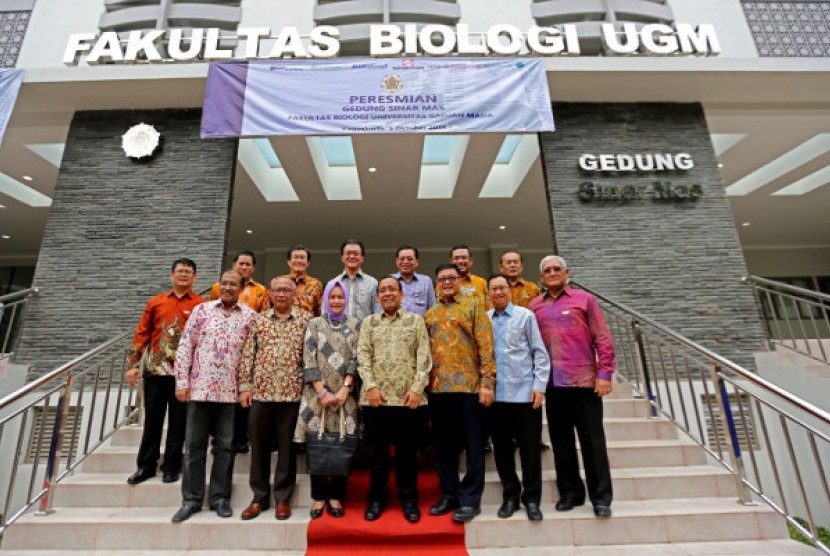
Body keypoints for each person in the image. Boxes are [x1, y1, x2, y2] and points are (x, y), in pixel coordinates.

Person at [529, 255, 616, 519]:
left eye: (557, 269)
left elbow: (602, 337)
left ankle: (600, 497)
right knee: (561, 442)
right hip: (553, 384)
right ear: (542, 277)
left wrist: (605, 374)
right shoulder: (534, 306)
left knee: (592, 442)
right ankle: (570, 494)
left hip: (584, 382)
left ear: (567, 272)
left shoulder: (584, 300)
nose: (553, 273)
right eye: (547, 270)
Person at [171, 269, 255, 522]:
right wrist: (181, 382)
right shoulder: (202, 311)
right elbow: (186, 345)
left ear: (241, 288)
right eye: (224, 283)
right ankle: (191, 499)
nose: (228, 287)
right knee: (194, 446)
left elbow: (250, 357)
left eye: (233, 284)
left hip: (230, 394)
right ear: (218, 286)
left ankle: (220, 498)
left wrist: (245, 388)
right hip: (199, 390)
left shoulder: (250, 317)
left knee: (225, 448)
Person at [424, 263, 495, 523]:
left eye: (451, 278)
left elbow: (486, 345)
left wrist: (487, 383)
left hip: (469, 388)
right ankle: (449, 494)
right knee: (443, 447)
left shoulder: (474, 306)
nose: (446, 282)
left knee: (475, 446)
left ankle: (470, 499)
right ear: (436, 283)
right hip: (438, 390)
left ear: (459, 281)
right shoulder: (430, 314)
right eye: (441, 278)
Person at [357, 275, 432, 523]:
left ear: (401, 294)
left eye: (392, 289)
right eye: (383, 290)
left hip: (409, 399)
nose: (388, 293)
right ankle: (376, 498)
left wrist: (418, 387)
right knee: (377, 454)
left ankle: (408, 498)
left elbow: (424, 356)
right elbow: (363, 356)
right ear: (377, 297)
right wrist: (371, 386)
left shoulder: (416, 321)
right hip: (376, 399)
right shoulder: (369, 323)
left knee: (407, 454)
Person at [125, 258, 205, 486]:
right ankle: (145, 466)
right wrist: (133, 364)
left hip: (184, 375)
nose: (183, 275)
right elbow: (142, 334)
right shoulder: (156, 302)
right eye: (180, 271)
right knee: (152, 421)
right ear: (171, 275)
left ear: (194, 277)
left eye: (188, 272)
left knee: (179, 423)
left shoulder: (201, 304)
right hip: (154, 371)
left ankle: (171, 466)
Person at [238, 276, 312, 521]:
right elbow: (248, 354)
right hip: (261, 393)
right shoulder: (258, 321)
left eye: (286, 290)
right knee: (258, 447)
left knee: (287, 449)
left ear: (294, 294)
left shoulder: (305, 320)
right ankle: (259, 498)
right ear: (270, 293)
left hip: (292, 394)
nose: (281, 294)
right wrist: (245, 387)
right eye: (277, 290)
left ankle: (282, 499)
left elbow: (309, 357)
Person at [293, 280, 360, 519]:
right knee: (317, 444)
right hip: (316, 394)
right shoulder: (315, 323)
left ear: (346, 300)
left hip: (345, 396)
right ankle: (319, 496)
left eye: (340, 297)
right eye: (332, 297)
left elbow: (356, 358)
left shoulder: (354, 324)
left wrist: (344, 389)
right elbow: (308, 358)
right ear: (326, 299)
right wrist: (321, 391)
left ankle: (336, 495)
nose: (336, 301)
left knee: (342, 443)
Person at [486, 275, 550, 521]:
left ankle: (532, 499)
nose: (499, 291)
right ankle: (510, 496)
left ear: (509, 290)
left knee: (530, 450)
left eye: (502, 287)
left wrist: (540, 386)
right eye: (494, 288)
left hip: (524, 395)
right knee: (501, 451)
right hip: (496, 396)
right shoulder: (484, 321)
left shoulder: (526, 316)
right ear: (488, 293)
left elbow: (540, 353)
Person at [208, 249, 267, 454]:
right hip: (222, 351)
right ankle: (218, 437)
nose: (244, 267)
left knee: (244, 395)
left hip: (247, 350)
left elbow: (262, 317)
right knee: (220, 395)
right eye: (240, 263)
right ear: (234, 265)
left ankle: (241, 438)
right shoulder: (218, 287)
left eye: (248, 264)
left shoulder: (261, 290)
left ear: (253, 268)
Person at [327, 239, 379, 322]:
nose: (351, 256)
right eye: (348, 253)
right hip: (338, 332)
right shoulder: (332, 284)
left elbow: (377, 313)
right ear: (342, 258)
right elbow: (325, 313)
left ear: (362, 258)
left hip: (364, 333)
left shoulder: (373, 283)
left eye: (355, 253)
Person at [392, 245, 436, 317]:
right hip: (395, 327)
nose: (405, 262)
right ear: (397, 261)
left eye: (410, 259)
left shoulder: (426, 281)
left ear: (417, 262)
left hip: (420, 327)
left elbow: (433, 309)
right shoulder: (389, 280)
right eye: (402, 259)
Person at [282, 244, 323, 316]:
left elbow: (320, 313)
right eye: (295, 257)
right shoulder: (278, 283)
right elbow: (267, 311)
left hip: (308, 326)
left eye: (302, 258)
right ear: (288, 262)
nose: (299, 260)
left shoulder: (316, 284)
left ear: (308, 263)